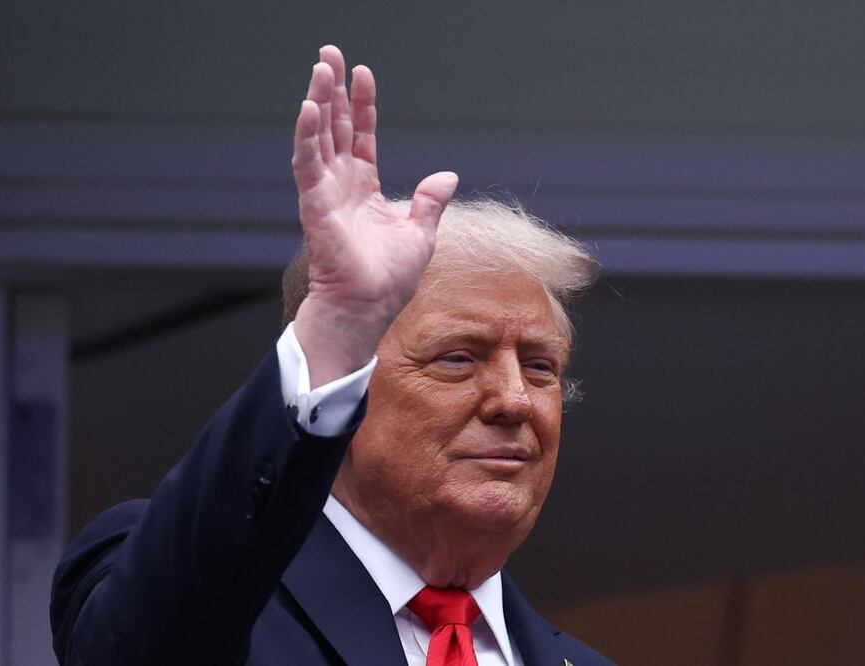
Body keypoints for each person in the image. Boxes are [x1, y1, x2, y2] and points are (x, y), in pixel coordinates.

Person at [50, 45, 613, 665]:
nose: (513, 399)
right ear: (351, 380)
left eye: (540, 366)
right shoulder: (218, 601)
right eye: (458, 358)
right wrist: (339, 326)